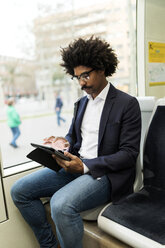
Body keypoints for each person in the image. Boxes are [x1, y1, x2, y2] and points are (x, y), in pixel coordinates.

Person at [11, 36, 141, 248]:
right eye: (77, 77)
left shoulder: (127, 104)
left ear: (101, 68)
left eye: (85, 75)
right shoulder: (81, 103)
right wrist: (63, 143)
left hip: (104, 174)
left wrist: (86, 166)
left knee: (60, 205)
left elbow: (128, 154)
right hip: (74, 165)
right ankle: (50, 245)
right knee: (19, 191)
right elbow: (74, 137)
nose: (81, 83)